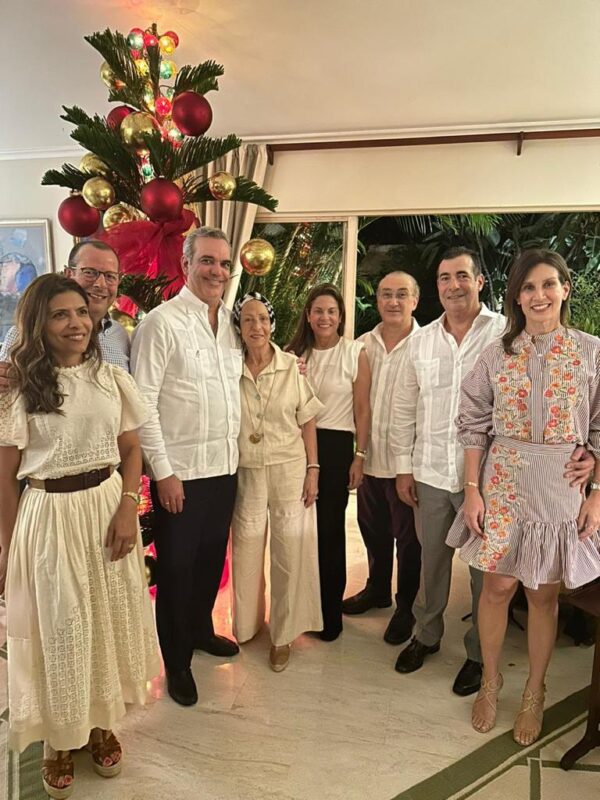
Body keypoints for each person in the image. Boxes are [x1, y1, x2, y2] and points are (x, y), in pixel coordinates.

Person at [391, 246, 593, 695]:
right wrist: (405, 467)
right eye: (444, 278)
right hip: (456, 473)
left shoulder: (537, 341)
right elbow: (426, 412)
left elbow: (592, 417)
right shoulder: (445, 344)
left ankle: (488, 663)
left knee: (508, 583)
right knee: (438, 563)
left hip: (525, 482)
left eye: (462, 275)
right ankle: (438, 643)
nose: (453, 285)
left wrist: (594, 470)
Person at [0, 274, 159, 799]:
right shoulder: (18, 386)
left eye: (82, 313)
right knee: (61, 627)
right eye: (60, 315)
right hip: (49, 516)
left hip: (106, 507)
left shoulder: (111, 378)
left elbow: (132, 448)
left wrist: (127, 506)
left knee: (105, 621)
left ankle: (99, 724)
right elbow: (5, 475)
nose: (76, 324)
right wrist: (5, 546)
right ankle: (56, 739)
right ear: (38, 325)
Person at [446, 249, 600, 745]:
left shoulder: (590, 352)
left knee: (543, 593)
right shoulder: (495, 354)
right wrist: (473, 492)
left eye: (549, 284)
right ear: (516, 295)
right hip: (505, 481)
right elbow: (472, 423)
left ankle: (535, 690)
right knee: (496, 589)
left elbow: (598, 426)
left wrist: (595, 489)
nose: (539, 296)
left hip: (562, 484)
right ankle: (491, 681)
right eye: (529, 287)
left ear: (565, 289)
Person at [130, 226, 241, 707]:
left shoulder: (231, 325)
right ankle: (175, 663)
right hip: (181, 473)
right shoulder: (162, 323)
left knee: (211, 560)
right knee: (176, 568)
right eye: (207, 261)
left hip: (225, 466)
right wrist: (165, 472)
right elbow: (144, 404)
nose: (216, 270)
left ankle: (199, 631)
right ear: (186, 264)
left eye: (223, 263)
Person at [231, 292, 323, 672]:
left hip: (289, 467)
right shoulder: (228, 366)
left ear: (273, 324)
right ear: (238, 326)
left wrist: (313, 469)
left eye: (263, 320)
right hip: (247, 470)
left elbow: (308, 419)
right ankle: (247, 626)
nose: (257, 327)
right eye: (248, 320)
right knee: (247, 548)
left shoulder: (290, 366)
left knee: (290, 550)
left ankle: (283, 634)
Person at [287, 283, 371, 641]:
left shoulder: (355, 352)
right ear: (308, 315)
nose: (325, 317)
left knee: (330, 532)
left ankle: (328, 614)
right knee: (298, 531)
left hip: (336, 447)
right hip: (295, 445)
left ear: (340, 317)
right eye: (318, 311)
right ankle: (299, 610)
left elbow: (363, 409)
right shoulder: (293, 354)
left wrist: (360, 455)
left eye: (331, 311)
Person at [342, 271, 422, 646]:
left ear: (415, 301)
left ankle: (406, 607)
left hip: (407, 464)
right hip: (369, 458)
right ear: (377, 301)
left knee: (409, 541)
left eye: (401, 295)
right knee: (372, 530)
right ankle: (377, 589)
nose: (393, 301)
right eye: (386, 295)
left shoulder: (427, 345)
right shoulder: (361, 345)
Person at [0, 240, 130, 373]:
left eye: (110, 276)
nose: (101, 284)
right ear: (69, 274)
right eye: (90, 272)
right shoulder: (25, 333)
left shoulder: (119, 335)